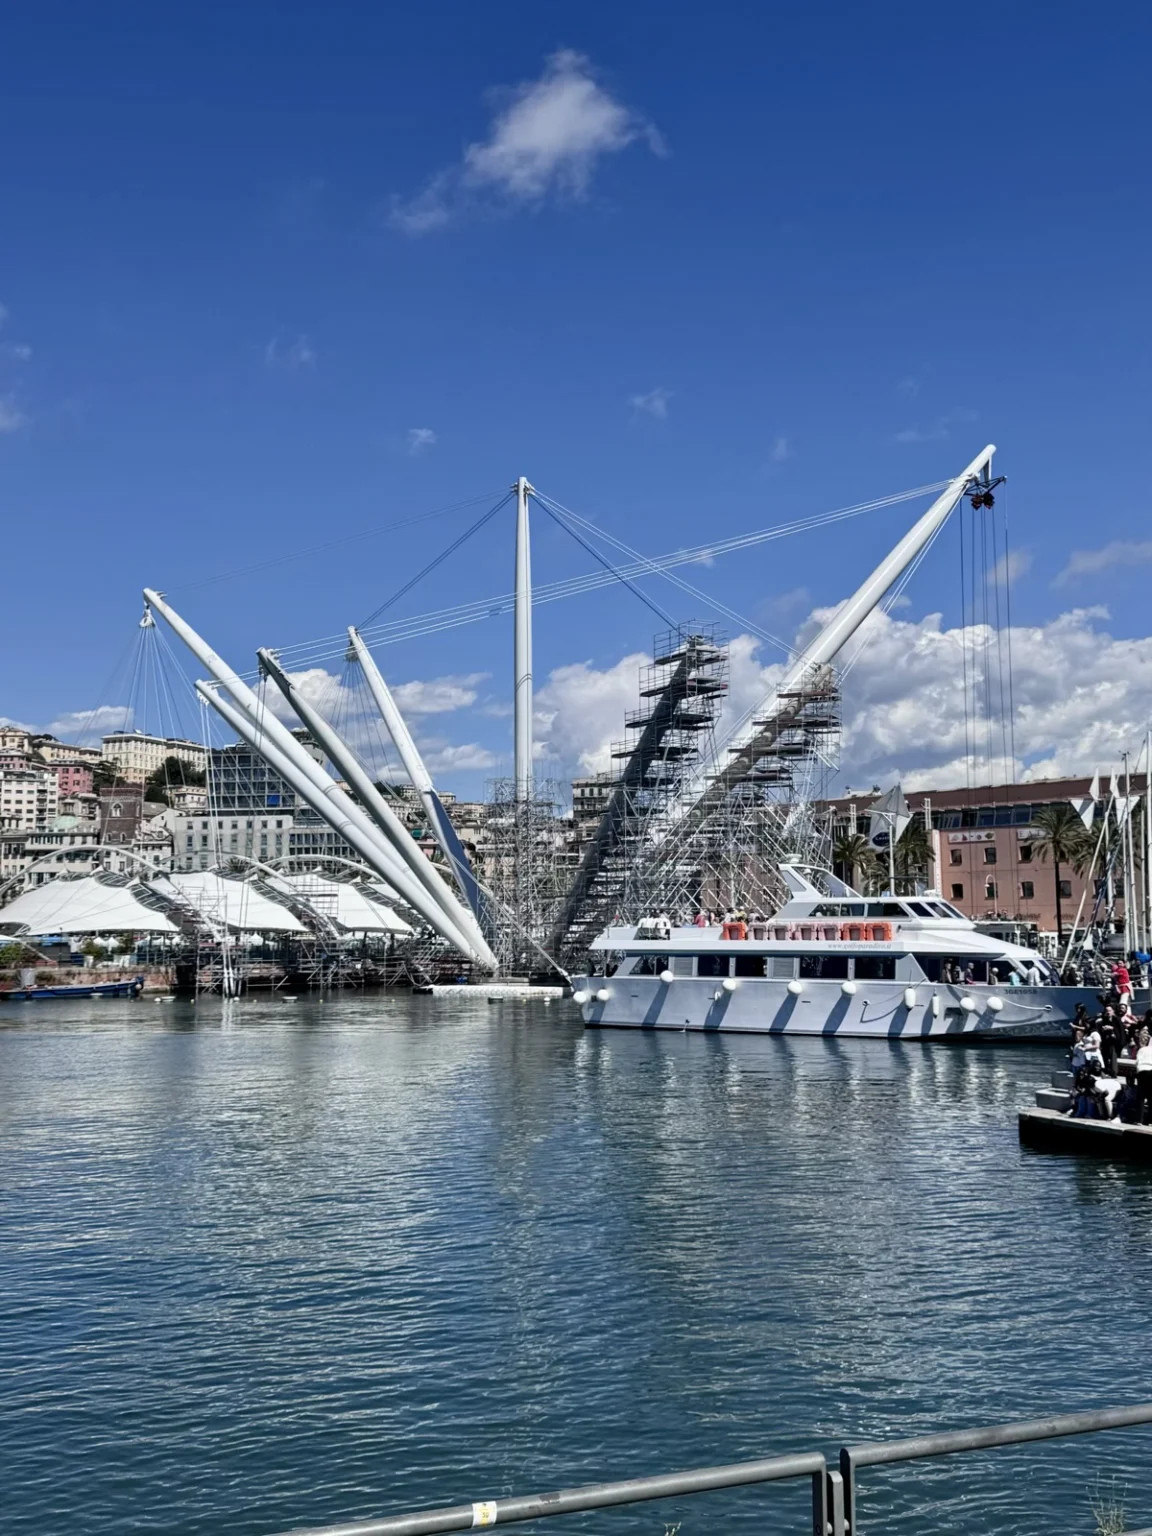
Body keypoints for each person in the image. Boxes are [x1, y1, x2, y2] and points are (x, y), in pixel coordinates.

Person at [1136, 1028, 1152, 1125]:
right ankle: (1150, 1121)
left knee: (1141, 1098)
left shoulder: (1141, 1050)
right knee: (1151, 1098)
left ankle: (1139, 1120)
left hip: (1142, 1071)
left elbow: (1137, 1062)